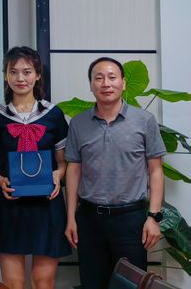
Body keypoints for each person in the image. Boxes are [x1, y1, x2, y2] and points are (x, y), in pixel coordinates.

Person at [64, 57, 166, 289]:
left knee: (130, 285)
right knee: (92, 284)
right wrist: (71, 218)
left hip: (131, 220)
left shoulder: (145, 121)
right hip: (89, 219)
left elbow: (156, 170)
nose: (106, 83)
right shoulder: (78, 123)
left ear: (123, 83)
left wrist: (153, 217)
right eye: (98, 78)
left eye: (112, 77)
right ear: (91, 85)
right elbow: (74, 170)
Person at [0, 46, 71, 289]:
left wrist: (58, 175)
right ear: (5, 76)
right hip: (10, 202)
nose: (20, 78)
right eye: (13, 72)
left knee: (44, 282)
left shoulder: (54, 114)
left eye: (27, 72)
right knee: (13, 283)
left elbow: (64, 162)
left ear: (38, 75)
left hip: (47, 205)